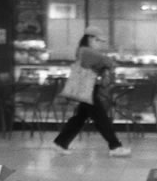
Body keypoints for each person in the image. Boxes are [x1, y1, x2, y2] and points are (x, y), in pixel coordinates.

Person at [53, 25, 130, 157]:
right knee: (101, 118)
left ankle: (61, 142)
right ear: (90, 38)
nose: (100, 44)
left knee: (80, 117)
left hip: (86, 89)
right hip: (87, 89)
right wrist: (107, 66)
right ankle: (115, 146)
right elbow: (108, 62)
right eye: (98, 41)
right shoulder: (87, 51)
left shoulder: (82, 50)